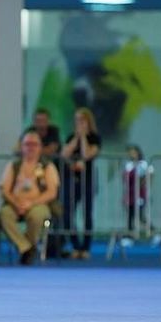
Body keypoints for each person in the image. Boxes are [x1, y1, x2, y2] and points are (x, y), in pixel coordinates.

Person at [0, 131, 59, 265]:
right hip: (15, 204)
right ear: (22, 146)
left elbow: (51, 192)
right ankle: (25, 248)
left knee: (37, 215)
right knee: (4, 213)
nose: (31, 147)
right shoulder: (13, 165)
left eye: (34, 144)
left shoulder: (48, 166)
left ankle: (27, 248)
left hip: (39, 204)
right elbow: (5, 190)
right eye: (27, 144)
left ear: (40, 147)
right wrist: (16, 204)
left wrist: (30, 204)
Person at [61, 108, 100, 259]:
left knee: (87, 214)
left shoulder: (95, 138)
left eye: (82, 120)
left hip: (88, 179)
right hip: (72, 180)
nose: (79, 123)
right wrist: (76, 138)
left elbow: (87, 154)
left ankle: (86, 248)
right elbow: (64, 154)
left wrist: (83, 137)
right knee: (68, 213)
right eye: (76, 120)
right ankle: (76, 245)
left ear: (88, 121)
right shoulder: (71, 136)